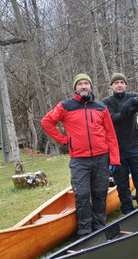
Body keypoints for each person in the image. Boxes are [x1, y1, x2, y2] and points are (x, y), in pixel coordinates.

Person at [41, 73, 120, 236]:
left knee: (100, 192)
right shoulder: (65, 106)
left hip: (101, 157)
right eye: (80, 84)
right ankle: (84, 230)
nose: (83, 86)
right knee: (82, 194)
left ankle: (99, 225)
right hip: (79, 160)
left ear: (90, 86)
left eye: (86, 83)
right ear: (75, 88)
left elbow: (110, 133)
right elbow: (46, 122)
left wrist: (114, 158)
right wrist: (64, 140)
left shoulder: (100, 107)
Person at [102, 73, 138, 215]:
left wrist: (135, 103)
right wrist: (130, 108)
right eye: (116, 82)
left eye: (122, 82)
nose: (119, 85)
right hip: (117, 150)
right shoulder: (107, 102)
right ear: (111, 86)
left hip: (134, 147)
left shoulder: (132, 96)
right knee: (122, 184)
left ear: (125, 85)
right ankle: (128, 211)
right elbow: (114, 118)